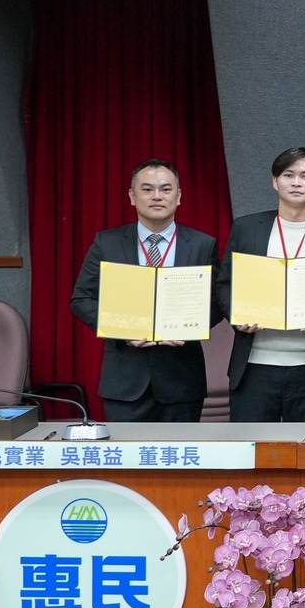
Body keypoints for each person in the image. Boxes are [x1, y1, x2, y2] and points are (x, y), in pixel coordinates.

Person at [71, 159, 220, 422]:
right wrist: (120, 327)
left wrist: (190, 328)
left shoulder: (202, 244)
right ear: (132, 196)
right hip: (125, 380)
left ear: (179, 196)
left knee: (179, 460)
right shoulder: (107, 243)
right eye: (147, 189)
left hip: (182, 379)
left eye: (165, 189)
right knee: (128, 461)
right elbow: (82, 299)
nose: (157, 197)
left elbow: (217, 301)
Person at [214, 147, 305, 422]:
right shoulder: (246, 228)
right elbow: (225, 284)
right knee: (251, 453)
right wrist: (238, 318)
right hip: (254, 365)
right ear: (275, 181)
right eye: (288, 175)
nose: (297, 182)